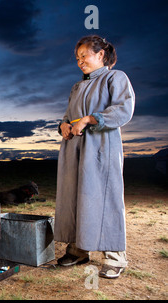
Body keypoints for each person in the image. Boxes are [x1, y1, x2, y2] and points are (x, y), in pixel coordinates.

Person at [55, 35, 135, 279]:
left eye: (85, 56)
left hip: (101, 148)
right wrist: (64, 126)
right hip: (74, 150)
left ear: (101, 55)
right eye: (77, 58)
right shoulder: (77, 87)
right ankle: (79, 250)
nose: (80, 62)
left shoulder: (115, 77)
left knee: (104, 197)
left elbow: (123, 109)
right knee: (76, 197)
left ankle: (115, 257)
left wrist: (91, 119)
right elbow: (68, 115)